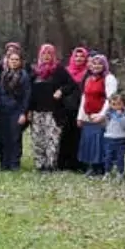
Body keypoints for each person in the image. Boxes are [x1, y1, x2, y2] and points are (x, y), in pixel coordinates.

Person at [28, 44, 75, 172]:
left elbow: (71, 85)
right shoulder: (35, 71)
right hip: (37, 111)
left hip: (53, 112)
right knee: (38, 139)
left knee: (52, 139)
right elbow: (30, 92)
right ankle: (40, 165)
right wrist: (29, 110)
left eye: (49, 54)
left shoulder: (59, 70)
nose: (46, 56)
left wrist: (61, 90)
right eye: (44, 54)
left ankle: (50, 165)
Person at [76, 53, 118, 177]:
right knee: (89, 142)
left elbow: (111, 98)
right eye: (94, 63)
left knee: (101, 143)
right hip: (88, 117)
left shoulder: (109, 78)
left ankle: (103, 168)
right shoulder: (89, 79)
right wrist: (80, 116)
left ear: (104, 65)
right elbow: (85, 98)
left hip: (102, 118)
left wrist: (102, 114)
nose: (96, 66)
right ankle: (91, 167)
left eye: (100, 63)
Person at [0, 50, 31, 171]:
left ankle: (14, 163)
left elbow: (26, 96)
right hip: (3, 110)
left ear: (20, 62)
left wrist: (23, 113)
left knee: (15, 137)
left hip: (17, 110)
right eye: (11, 59)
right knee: (4, 137)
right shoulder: (3, 74)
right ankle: (4, 163)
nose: (14, 62)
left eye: (16, 60)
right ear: (7, 61)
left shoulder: (23, 76)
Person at [59, 46, 89, 171]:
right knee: (65, 136)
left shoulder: (88, 72)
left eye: (82, 56)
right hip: (66, 108)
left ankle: (79, 164)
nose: (79, 58)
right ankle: (64, 163)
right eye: (76, 56)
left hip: (82, 109)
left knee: (80, 137)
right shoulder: (66, 71)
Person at [103, 93, 125, 180]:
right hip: (109, 139)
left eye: (119, 104)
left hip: (121, 139)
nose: (116, 106)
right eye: (113, 104)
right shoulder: (109, 114)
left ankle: (120, 172)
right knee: (108, 157)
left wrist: (120, 116)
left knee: (120, 157)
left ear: (123, 104)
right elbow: (105, 124)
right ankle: (107, 172)